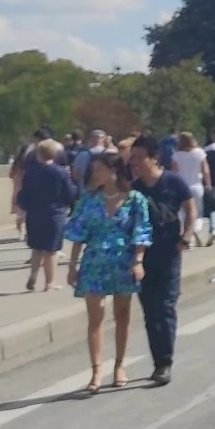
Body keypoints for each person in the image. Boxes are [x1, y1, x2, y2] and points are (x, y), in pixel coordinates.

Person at [64, 151, 150, 392]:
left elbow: (142, 231)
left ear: (113, 171)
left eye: (99, 169)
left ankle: (120, 365)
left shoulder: (134, 199)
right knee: (95, 316)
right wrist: (72, 266)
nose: (95, 174)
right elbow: (78, 234)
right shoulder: (88, 200)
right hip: (94, 262)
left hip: (123, 261)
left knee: (122, 314)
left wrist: (138, 261)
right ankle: (96, 370)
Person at [129, 136, 196, 386]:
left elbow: (190, 210)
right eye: (133, 158)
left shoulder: (173, 181)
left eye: (140, 157)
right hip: (143, 256)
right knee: (150, 311)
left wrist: (185, 237)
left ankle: (165, 362)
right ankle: (158, 361)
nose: (135, 163)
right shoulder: (134, 189)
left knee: (165, 307)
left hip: (169, 253)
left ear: (154, 158)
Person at [18, 140, 77, 291]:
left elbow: (23, 194)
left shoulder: (30, 172)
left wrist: (24, 207)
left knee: (37, 247)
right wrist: (72, 205)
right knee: (51, 250)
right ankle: (50, 282)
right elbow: (69, 192)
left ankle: (33, 275)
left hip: (34, 213)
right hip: (54, 213)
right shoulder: (60, 172)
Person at [169, 132, 208, 247]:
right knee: (198, 213)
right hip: (197, 186)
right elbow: (205, 170)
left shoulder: (176, 155)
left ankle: (189, 240)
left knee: (184, 214)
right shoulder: (200, 153)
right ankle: (196, 229)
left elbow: (174, 173)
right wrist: (208, 183)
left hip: (182, 187)